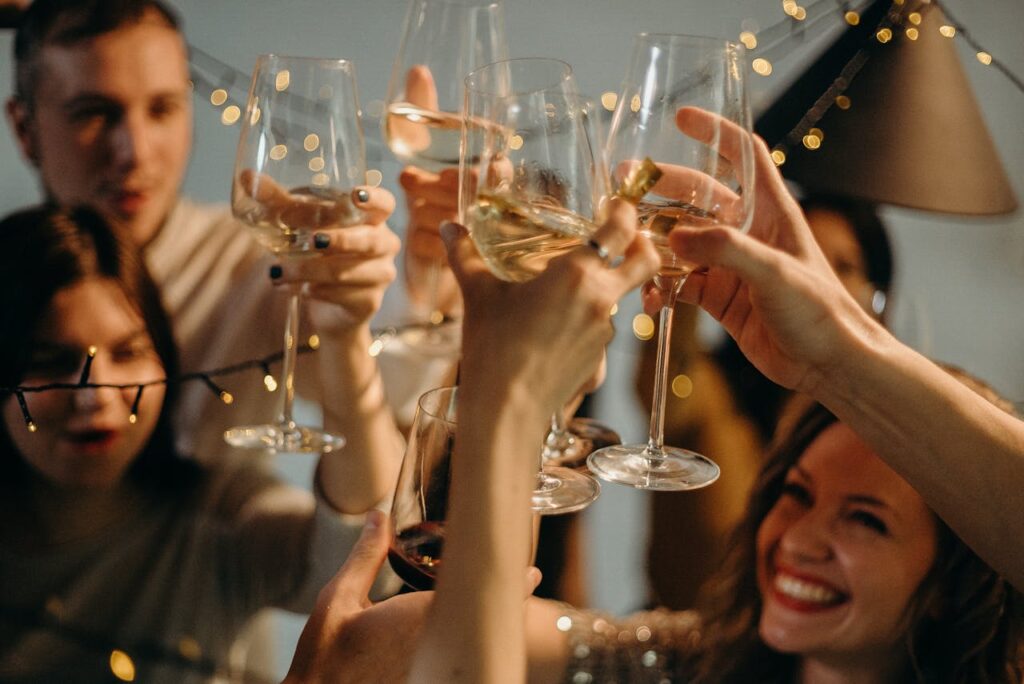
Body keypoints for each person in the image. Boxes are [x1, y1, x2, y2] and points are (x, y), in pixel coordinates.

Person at [282, 107, 1024, 683]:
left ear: (957, 580)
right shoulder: (688, 661)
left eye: (865, 521)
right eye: (793, 495)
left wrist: (509, 400)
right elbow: (426, 647)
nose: (797, 537)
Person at [0, 205, 397, 682]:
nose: (95, 395)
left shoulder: (219, 519)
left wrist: (344, 336)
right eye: (52, 361)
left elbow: (362, 562)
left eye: (127, 353)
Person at [5, 0, 404, 468]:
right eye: (95, 113)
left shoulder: (260, 265)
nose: (135, 151)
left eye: (162, 109)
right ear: (24, 128)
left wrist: (405, 287)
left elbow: (401, 393)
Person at [641, 194, 895, 610]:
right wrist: (682, 264)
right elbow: (667, 385)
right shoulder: (712, 390)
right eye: (798, 258)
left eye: (843, 267)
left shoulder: (876, 439)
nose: (815, 281)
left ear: (877, 299)